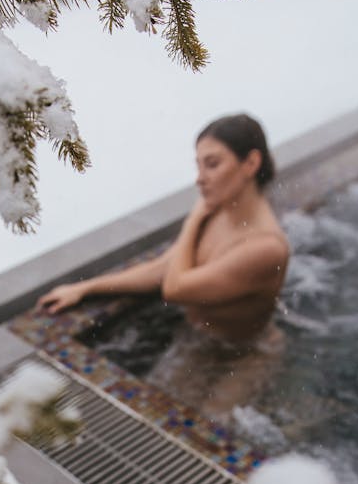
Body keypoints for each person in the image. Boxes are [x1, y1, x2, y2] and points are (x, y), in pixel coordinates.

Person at [36, 113, 290, 419]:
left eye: (212, 164)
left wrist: (193, 220)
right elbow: (161, 270)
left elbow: (175, 287)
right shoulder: (220, 211)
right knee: (154, 411)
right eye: (198, 165)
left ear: (250, 163)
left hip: (243, 355)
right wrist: (85, 288)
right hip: (198, 338)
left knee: (205, 432)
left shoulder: (266, 248)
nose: (199, 178)